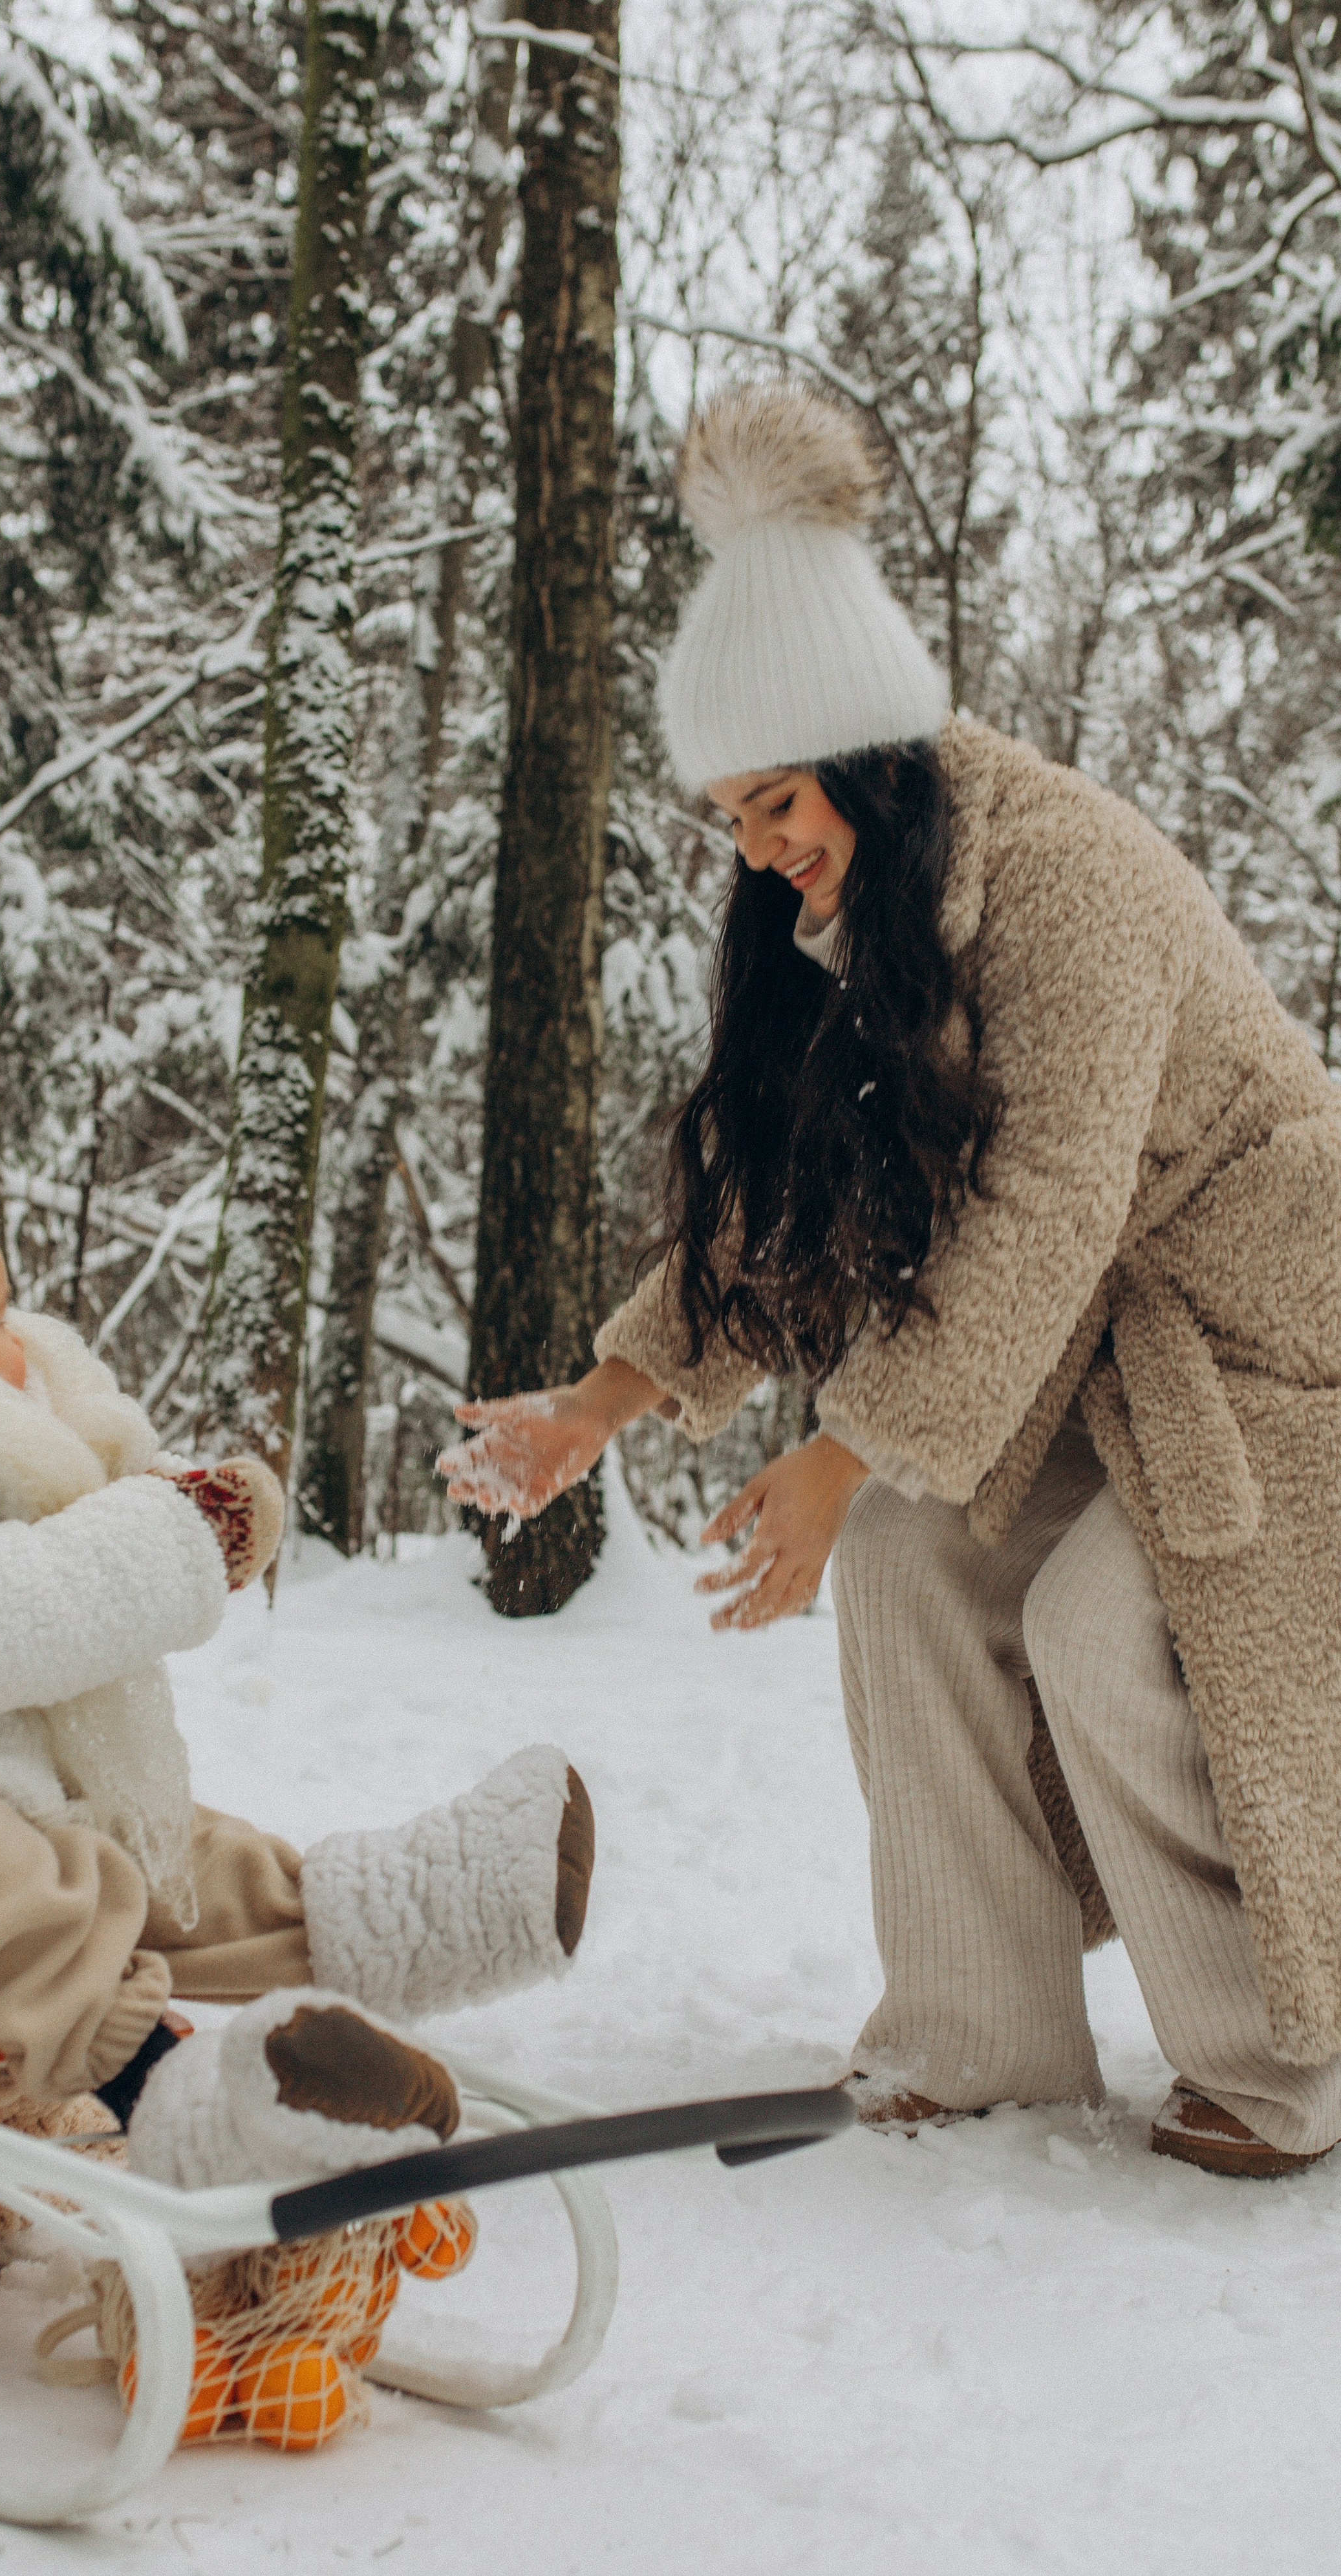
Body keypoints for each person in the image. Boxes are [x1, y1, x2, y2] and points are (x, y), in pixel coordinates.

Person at [442, 379, 1341, 2181]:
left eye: (777, 801)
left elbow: (1045, 1203)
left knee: (1099, 1626)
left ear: (869, 757)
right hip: (1092, 1357)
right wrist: (602, 1403)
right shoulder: (854, 918)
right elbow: (784, 1197)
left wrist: (845, 1444)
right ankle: (975, 2031)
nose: (757, 849)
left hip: (1274, 1352)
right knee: (910, 1562)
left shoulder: (1071, 879)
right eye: (730, 815)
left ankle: (1275, 2061)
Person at [0, 1056, 594, 2188]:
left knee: (158, 1846)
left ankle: (407, 1912)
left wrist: (189, 1516)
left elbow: (42, 1547)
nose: (23, 1347)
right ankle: (168, 2088)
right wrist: (168, 1542)